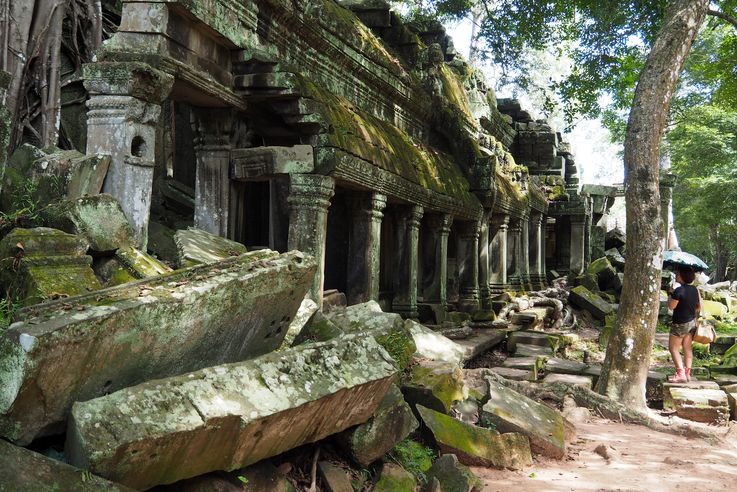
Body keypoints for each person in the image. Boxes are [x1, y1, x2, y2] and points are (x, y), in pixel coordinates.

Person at [667, 266, 701, 382]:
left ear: (682, 276)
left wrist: (671, 293)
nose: (676, 276)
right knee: (687, 348)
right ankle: (687, 374)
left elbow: (671, 306)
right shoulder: (694, 290)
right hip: (692, 322)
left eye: (677, 274)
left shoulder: (678, 290)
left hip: (680, 323)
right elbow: (698, 307)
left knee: (673, 348)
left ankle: (680, 373)